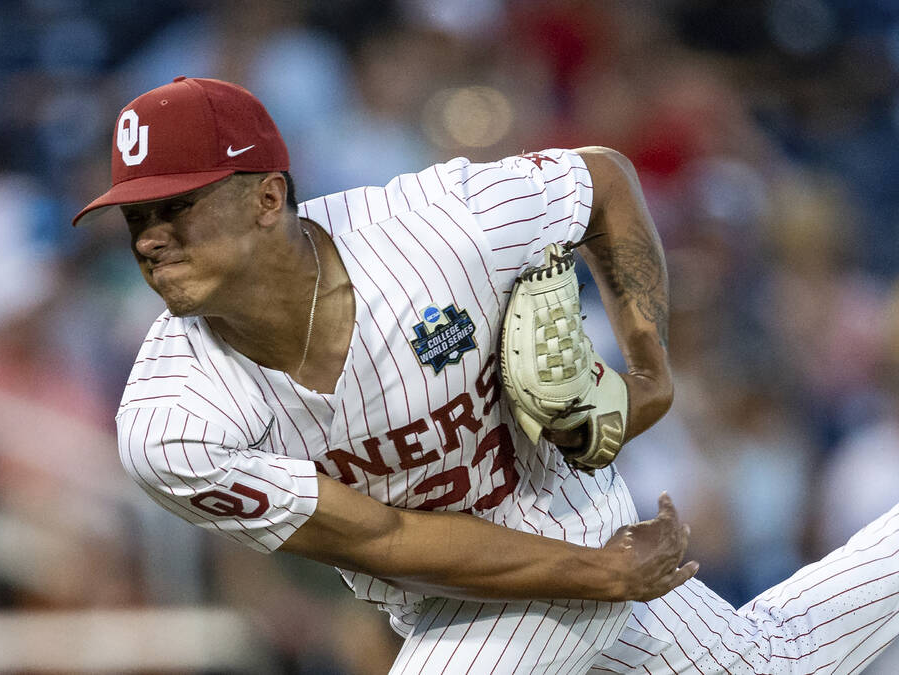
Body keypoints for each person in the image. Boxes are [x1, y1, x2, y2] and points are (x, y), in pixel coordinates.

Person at [74, 76, 899, 674]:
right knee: (776, 663)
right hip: (460, 588)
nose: (149, 238)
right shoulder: (173, 421)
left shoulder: (438, 228)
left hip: (569, 524)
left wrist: (649, 366)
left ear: (265, 197)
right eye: (136, 216)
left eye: (177, 205)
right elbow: (381, 535)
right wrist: (606, 573)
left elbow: (602, 179)